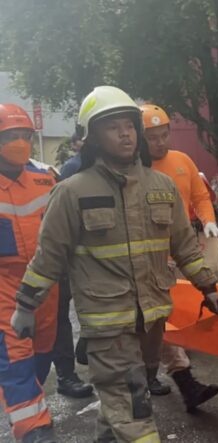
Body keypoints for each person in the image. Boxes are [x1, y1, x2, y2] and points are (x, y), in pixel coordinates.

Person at [11, 86, 218, 442]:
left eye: (129, 125)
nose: (125, 133)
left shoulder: (162, 187)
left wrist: (207, 285)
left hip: (152, 319)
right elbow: (48, 257)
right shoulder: (72, 192)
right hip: (107, 329)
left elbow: (185, 246)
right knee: (135, 413)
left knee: (121, 408)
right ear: (92, 136)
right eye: (113, 126)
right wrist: (26, 306)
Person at [141, 103, 218, 410]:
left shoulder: (182, 161)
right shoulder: (135, 172)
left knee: (172, 314)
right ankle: (174, 377)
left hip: (182, 243)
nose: (160, 142)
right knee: (158, 319)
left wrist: (209, 222)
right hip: (150, 257)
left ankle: (178, 375)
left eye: (164, 135)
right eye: (152, 137)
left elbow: (201, 197)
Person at [0, 104, 58, 443]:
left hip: (46, 284)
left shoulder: (45, 178)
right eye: (10, 136)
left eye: (24, 135)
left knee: (42, 352)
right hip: (4, 286)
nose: (19, 142)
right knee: (16, 354)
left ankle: (30, 402)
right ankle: (33, 428)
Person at [49, 130, 95, 400]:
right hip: (61, 258)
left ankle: (77, 360)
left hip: (84, 258)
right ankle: (65, 374)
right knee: (58, 319)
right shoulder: (71, 169)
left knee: (82, 310)